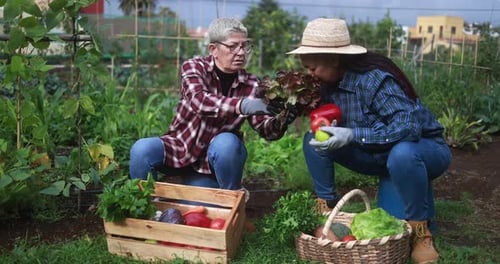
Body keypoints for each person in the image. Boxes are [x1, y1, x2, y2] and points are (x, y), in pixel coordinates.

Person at [287, 18, 451, 264]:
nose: (311, 74)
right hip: (382, 155)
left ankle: (421, 234)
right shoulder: (328, 84)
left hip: (423, 150)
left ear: (334, 59)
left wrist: (352, 134)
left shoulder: (374, 81)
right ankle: (326, 207)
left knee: (403, 156)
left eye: (313, 69)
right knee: (314, 139)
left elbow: (408, 128)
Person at [129, 18, 296, 196]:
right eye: (233, 46)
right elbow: (199, 101)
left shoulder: (252, 84)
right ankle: (143, 206)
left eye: (244, 46)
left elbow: (265, 130)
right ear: (213, 49)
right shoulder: (194, 68)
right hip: (179, 148)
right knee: (142, 149)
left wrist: (281, 120)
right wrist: (243, 104)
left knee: (227, 143)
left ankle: (231, 202)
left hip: (209, 164)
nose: (241, 53)